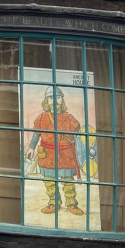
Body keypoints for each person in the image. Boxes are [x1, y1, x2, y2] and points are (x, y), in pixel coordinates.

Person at [26, 86, 85, 215]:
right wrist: (31, 147)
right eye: (51, 98)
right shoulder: (42, 118)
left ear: (61, 100)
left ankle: (71, 204)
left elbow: (79, 136)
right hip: (47, 154)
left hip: (66, 155)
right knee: (49, 181)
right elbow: (36, 134)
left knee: (67, 180)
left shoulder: (70, 118)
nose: (55, 101)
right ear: (46, 101)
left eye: (58, 98)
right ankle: (53, 203)